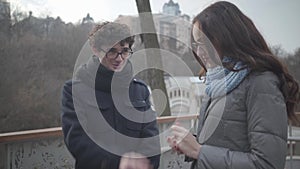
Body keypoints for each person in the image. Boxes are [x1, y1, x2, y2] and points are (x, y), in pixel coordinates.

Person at [167, 1, 300, 169]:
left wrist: (199, 151)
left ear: (228, 37)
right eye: (196, 45)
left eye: (204, 43)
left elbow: (267, 164)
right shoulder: (216, 82)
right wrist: (189, 144)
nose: (199, 52)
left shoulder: (261, 83)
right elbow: (226, 138)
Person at [61, 22, 160, 169]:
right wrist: (120, 163)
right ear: (95, 50)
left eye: (125, 51)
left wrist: (142, 162)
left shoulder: (140, 90)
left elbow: (151, 139)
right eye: (111, 51)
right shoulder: (74, 90)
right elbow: (77, 140)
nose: (119, 58)